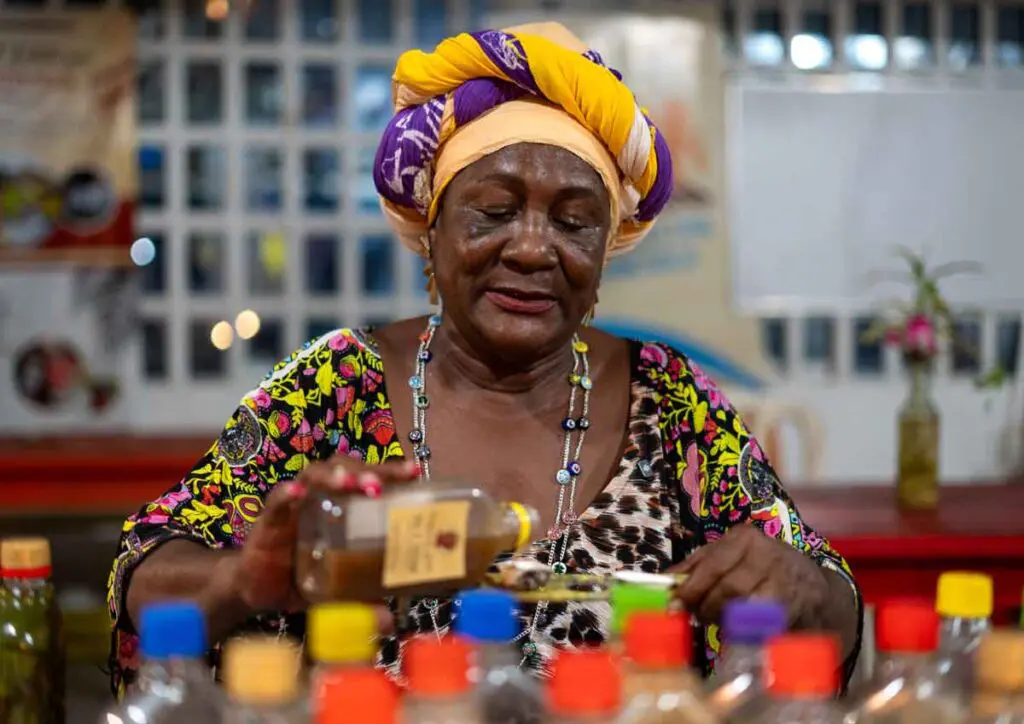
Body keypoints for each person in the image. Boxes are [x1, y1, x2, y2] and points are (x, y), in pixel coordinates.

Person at [106, 22, 861, 697]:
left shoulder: (671, 402)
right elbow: (146, 567)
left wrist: (802, 587)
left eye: (573, 221)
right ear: (431, 234)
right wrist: (242, 579)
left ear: (602, 255)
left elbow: (832, 602)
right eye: (494, 212)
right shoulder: (333, 387)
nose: (532, 248)